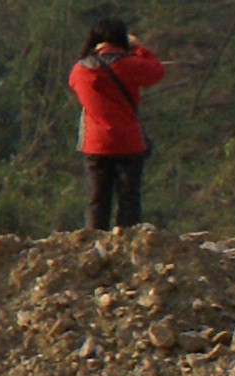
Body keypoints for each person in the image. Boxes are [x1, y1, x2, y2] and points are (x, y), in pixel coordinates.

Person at [69, 17, 165, 232]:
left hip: (95, 143)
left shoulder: (79, 71)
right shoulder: (129, 65)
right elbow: (156, 71)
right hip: (128, 142)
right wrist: (138, 48)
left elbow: (74, 85)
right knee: (129, 198)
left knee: (97, 199)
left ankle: (94, 242)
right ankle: (127, 242)